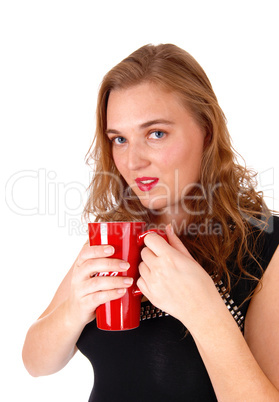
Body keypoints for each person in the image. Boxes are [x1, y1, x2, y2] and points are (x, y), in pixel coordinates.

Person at [22, 44, 279, 401]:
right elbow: (36, 363)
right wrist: (74, 309)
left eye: (156, 134)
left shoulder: (266, 246)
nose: (133, 161)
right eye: (120, 139)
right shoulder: (117, 235)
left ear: (206, 131)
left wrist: (205, 313)